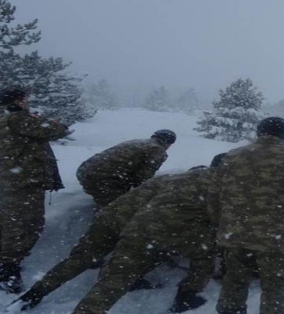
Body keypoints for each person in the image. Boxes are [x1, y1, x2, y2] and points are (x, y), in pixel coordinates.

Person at [11, 172, 190, 311]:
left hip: (108, 217)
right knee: (120, 275)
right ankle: (130, 281)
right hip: (135, 228)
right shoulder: (190, 192)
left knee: (79, 259)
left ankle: (34, 294)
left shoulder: (166, 179)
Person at [208, 117, 284, 314]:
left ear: (259, 132)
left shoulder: (233, 155)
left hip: (235, 232)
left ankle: (230, 310)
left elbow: (215, 193)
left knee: (235, 278)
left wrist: (218, 221)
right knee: (276, 283)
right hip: (275, 236)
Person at [70, 166, 218, 314]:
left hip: (139, 227)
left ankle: (120, 280)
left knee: (125, 268)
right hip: (170, 232)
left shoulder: (173, 181)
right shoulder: (216, 187)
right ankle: (187, 296)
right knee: (205, 256)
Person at [0, 88, 69, 294]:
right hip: (22, 183)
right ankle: (7, 269)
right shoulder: (17, 118)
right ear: (18, 100)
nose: (27, 102)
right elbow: (56, 130)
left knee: (10, 223)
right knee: (26, 225)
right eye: (25, 99)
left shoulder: (7, 119)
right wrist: (56, 123)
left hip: (11, 181)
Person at [76, 129, 176, 207]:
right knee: (115, 209)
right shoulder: (157, 150)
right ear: (169, 143)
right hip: (105, 177)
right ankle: (103, 230)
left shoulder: (137, 142)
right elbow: (142, 178)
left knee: (107, 202)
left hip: (85, 170)